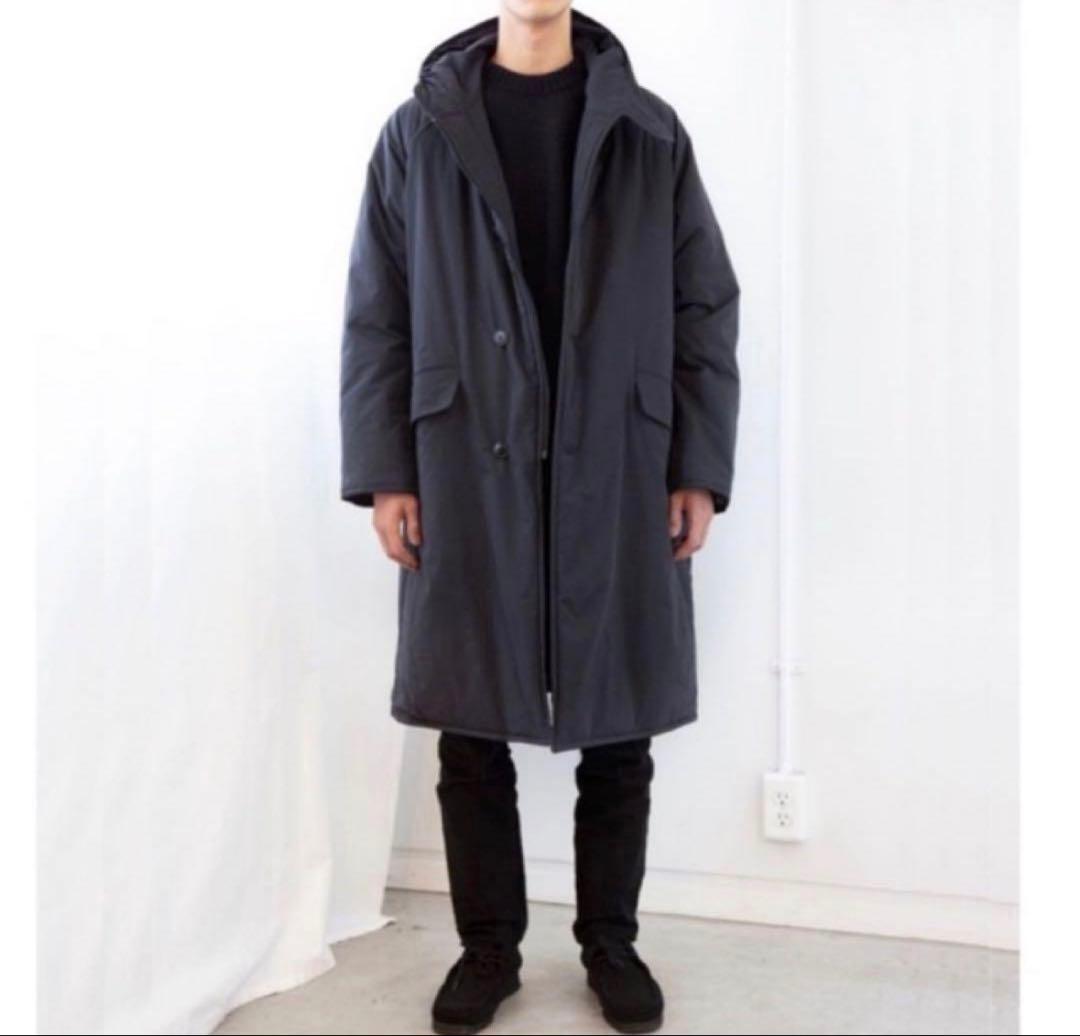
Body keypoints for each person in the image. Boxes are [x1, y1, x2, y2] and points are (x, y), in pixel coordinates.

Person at [339, 3, 740, 1033]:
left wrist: (697, 464)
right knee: (469, 721)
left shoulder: (649, 131)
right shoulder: (417, 133)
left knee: (622, 721)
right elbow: (379, 311)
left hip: (621, 452)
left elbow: (702, 304)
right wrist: (387, 472)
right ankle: (488, 950)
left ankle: (611, 943)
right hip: (465, 453)